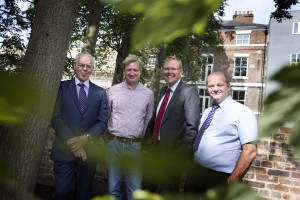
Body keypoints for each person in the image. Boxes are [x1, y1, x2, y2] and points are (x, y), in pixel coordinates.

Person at [185, 71, 258, 193]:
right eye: (211, 86)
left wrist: (230, 183)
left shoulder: (242, 112)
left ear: (228, 87)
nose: (215, 89)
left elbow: (250, 151)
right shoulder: (208, 112)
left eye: (220, 85)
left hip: (219, 178)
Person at [50, 52, 109, 200]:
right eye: (81, 65)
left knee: (82, 196)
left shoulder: (100, 93)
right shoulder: (61, 88)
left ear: (92, 69)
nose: (84, 69)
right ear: (74, 66)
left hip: (89, 154)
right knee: (62, 192)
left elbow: (103, 122)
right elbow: (56, 118)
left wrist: (86, 138)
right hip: (64, 150)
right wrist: (75, 143)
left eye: (88, 66)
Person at [143, 55, 200, 193]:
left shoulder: (189, 91)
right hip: (154, 151)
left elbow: (192, 126)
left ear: (181, 71)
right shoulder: (163, 91)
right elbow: (157, 119)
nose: (169, 72)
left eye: (173, 68)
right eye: (166, 68)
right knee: (147, 191)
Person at [106, 55, 154, 200]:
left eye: (135, 70)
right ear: (124, 71)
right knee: (113, 188)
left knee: (134, 190)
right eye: (128, 70)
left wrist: (142, 141)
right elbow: (106, 115)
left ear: (140, 72)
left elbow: (148, 120)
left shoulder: (148, 94)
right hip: (113, 143)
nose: (132, 73)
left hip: (135, 146)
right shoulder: (113, 90)